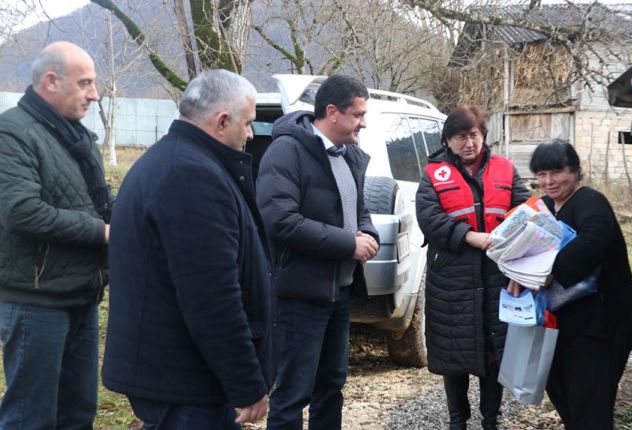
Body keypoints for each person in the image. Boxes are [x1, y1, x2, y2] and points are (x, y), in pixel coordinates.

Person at [102, 70, 273, 429]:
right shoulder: (191, 176)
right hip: (185, 382)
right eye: (249, 123)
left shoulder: (174, 161)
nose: (251, 134)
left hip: (176, 375)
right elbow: (211, 297)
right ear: (222, 121)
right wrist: (246, 383)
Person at [257, 74, 380, 430]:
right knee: (293, 391)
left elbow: (359, 210)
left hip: (338, 293)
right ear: (332, 112)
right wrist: (348, 243)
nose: (364, 122)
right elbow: (280, 220)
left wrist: (367, 234)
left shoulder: (350, 156)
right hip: (299, 295)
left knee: (331, 387)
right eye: (357, 114)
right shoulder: (287, 150)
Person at [0, 41, 111, 429]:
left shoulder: (77, 138)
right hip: (36, 301)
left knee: (78, 416)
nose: (94, 94)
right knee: (31, 418)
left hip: (81, 295)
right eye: (85, 83)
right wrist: (103, 232)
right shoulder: (11, 132)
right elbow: (22, 211)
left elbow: (95, 202)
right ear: (51, 81)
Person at [508, 139, 632, 429]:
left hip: (601, 324)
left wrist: (547, 271)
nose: (548, 181)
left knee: (591, 409)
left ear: (575, 170)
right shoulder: (542, 206)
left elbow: (592, 243)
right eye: (541, 174)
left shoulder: (590, 201)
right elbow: (514, 244)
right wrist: (517, 274)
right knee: (567, 402)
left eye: (556, 172)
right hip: (559, 324)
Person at [415, 105, 530, 430]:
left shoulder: (505, 169)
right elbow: (430, 219)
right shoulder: (433, 174)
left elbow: (524, 205)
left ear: (483, 136)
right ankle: (457, 421)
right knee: (454, 354)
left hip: (497, 276)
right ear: (448, 140)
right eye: (460, 137)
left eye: (474, 135)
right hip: (451, 280)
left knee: (494, 351)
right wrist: (469, 236)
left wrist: (511, 232)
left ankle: (491, 420)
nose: (469, 143)